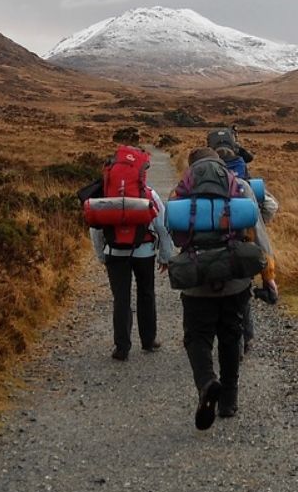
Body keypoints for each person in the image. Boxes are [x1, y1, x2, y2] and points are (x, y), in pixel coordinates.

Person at [169, 147, 277, 430]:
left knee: (197, 337)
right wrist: (268, 276)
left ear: (192, 168)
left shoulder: (182, 188)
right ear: (221, 166)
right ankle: (229, 400)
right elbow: (257, 233)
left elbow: (174, 233)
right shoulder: (239, 186)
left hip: (196, 279)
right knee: (231, 336)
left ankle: (207, 382)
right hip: (235, 278)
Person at [89, 131, 175, 361]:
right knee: (146, 293)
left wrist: (101, 255)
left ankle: (122, 347)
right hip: (144, 251)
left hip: (114, 252)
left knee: (121, 298)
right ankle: (149, 340)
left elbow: (95, 228)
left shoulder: (104, 196)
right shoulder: (149, 194)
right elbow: (162, 226)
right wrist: (165, 256)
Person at [213, 146, 279, 355]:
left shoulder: (201, 183)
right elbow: (269, 208)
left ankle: (217, 339)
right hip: (244, 247)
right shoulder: (244, 185)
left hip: (211, 248)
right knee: (242, 295)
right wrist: (268, 274)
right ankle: (245, 339)